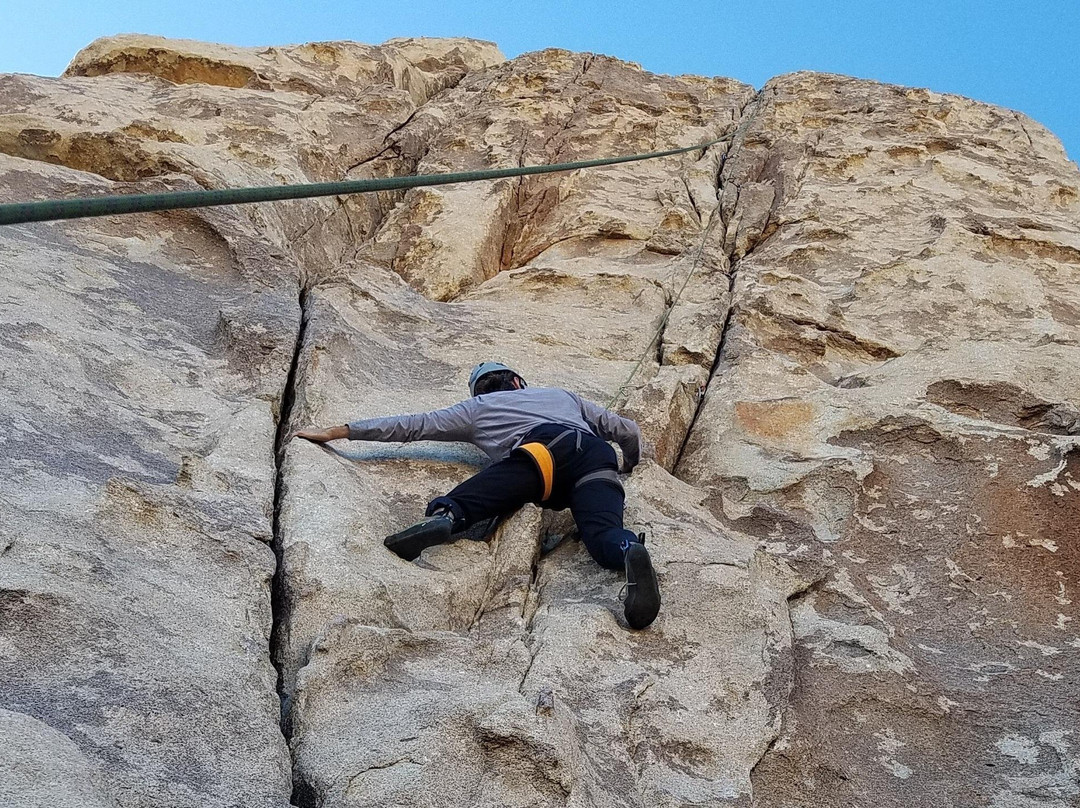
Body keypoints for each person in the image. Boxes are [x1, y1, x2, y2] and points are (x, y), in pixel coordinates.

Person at [292, 362, 661, 630]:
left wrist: (338, 431)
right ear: (517, 381)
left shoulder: (476, 410)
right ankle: (629, 550)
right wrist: (626, 465)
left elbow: (412, 426)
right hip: (596, 457)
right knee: (602, 532)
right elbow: (626, 430)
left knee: (495, 484)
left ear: (479, 392)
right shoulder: (559, 395)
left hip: (544, 451)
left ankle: (446, 517)